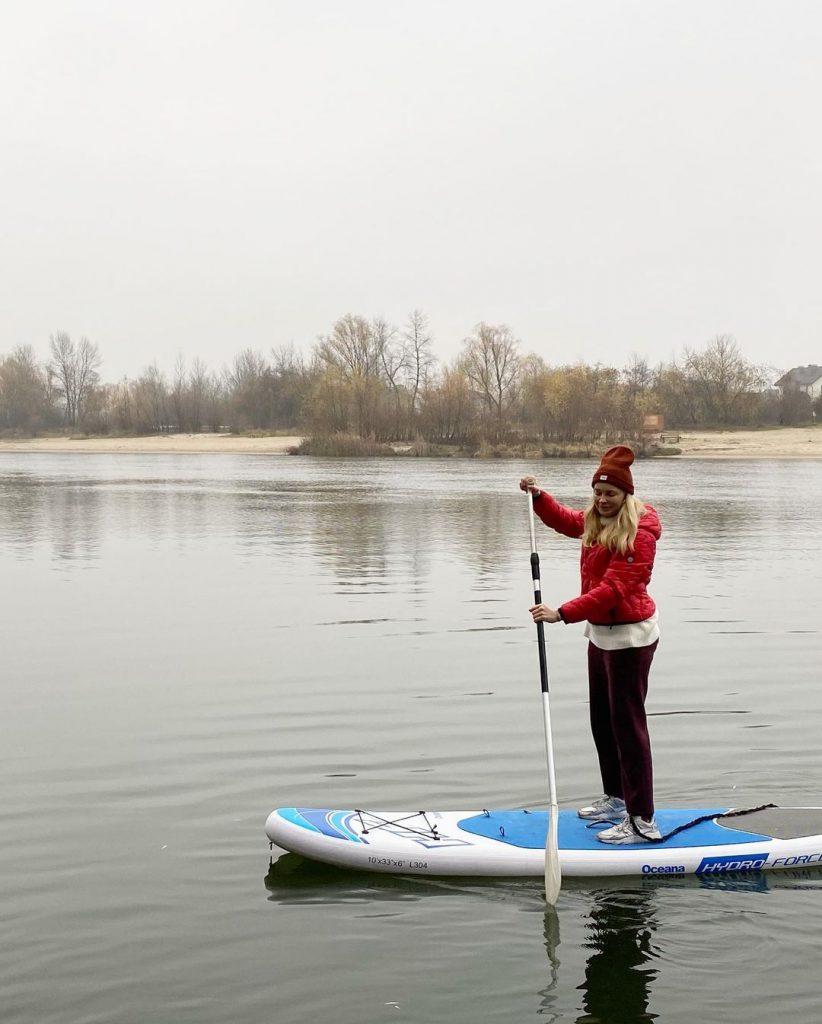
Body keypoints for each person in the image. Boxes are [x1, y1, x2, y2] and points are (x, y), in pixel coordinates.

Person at [519, 445, 662, 845]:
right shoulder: (597, 520)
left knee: (628, 726)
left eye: (611, 494)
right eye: (598, 492)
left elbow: (613, 590)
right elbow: (567, 521)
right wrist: (539, 498)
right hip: (601, 634)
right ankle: (617, 798)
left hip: (631, 638)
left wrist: (561, 612)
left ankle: (642, 820)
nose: (602, 500)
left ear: (626, 496)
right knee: (603, 720)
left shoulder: (640, 534)